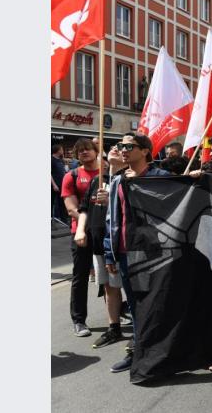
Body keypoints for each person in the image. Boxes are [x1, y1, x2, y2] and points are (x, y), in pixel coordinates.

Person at [104, 132, 171, 373]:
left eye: (129, 146)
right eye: (120, 145)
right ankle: (139, 352)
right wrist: (109, 252)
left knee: (155, 303)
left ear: (145, 151)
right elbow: (112, 218)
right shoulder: (117, 181)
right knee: (135, 306)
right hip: (123, 252)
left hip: (151, 252)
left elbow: (172, 207)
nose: (123, 149)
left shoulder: (160, 177)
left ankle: (161, 353)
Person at [75, 145, 127, 348]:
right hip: (98, 243)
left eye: (122, 147)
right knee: (109, 286)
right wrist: (81, 229)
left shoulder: (128, 179)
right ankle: (114, 328)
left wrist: (112, 200)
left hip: (118, 245)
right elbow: (84, 208)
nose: (115, 149)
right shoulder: (99, 179)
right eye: (113, 147)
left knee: (129, 288)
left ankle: (141, 330)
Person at [62, 138, 101, 338]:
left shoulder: (107, 173)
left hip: (105, 232)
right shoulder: (72, 176)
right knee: (80, 276)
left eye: (88, 149)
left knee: (112, 275)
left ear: (96, 151)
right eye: (80, 152)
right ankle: (79, 320)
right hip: (82, 233)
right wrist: (87, 223)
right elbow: (71, 208)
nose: (84, 153)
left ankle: (118, 311)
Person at [52, 144, 68, 223]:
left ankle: (63, 220)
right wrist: (54, 185)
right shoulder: (51, 159)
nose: (62, 151)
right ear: (58, 150)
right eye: (61, 149)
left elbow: (64, 171)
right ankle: (52, 219)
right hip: (54, 185)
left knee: (62, 202)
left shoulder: (61, 160)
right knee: (52, 202)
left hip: (62, 184)